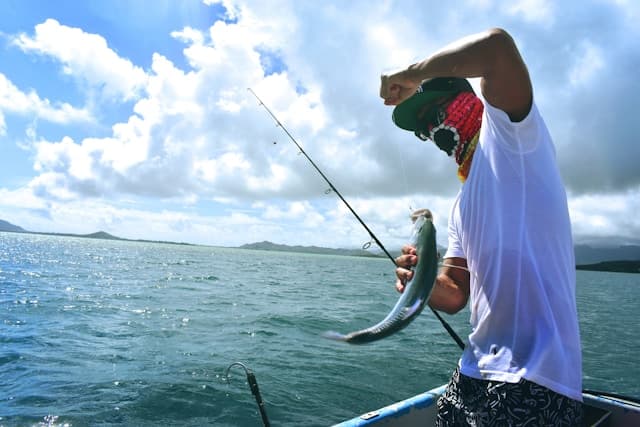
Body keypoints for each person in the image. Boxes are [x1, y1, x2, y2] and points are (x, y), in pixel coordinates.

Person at [379, 28, 583, 426]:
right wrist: (421, 279)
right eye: (424, 127)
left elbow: (496, 48)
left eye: (435, 113)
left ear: (469, 100)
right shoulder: (460, 204)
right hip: (472, 373)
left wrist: (413, 73)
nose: (432, 131)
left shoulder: (514, 137)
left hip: (536, 381)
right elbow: (455, 295)